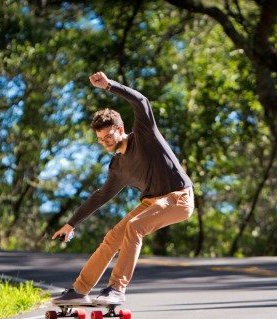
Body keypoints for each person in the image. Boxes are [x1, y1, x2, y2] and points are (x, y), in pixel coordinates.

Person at [51, 71, 194, 306]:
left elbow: (141, 101)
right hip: (152, 203)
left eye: (108, 136)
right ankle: (79, 290)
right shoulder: (118, 166)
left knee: (135, 227)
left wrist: (109, 86)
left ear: (120, 128)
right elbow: (101, 196)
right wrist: (71, 223)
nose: (105, 142)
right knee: (112, 238)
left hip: (178, 198)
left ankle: (116, 289)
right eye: (100, 139)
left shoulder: (145, 136)